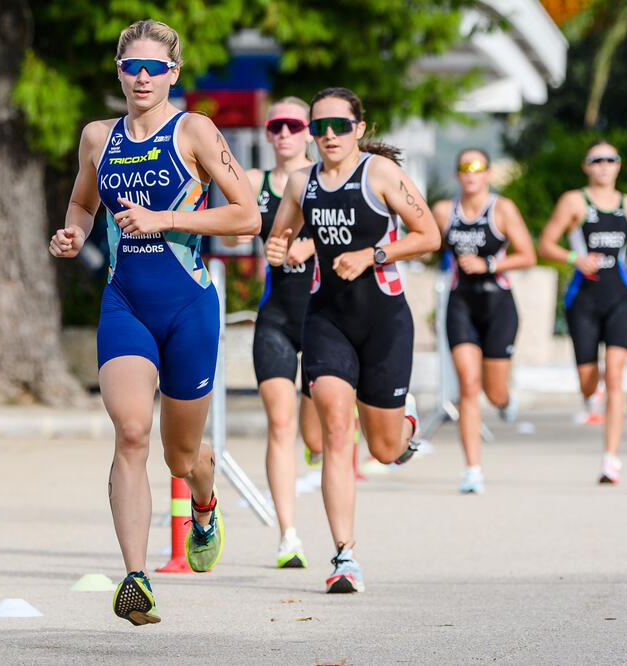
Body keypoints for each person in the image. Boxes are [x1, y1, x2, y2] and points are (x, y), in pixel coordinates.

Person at [49, 19, 260, 625]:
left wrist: (166, 220)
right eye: (131, 67)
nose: (142, 78)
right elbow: (84, 203)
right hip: (126, 305)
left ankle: (204, 502)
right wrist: (74, 234)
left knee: (181, 454)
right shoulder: (97, 137)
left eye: (154, 68)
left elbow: (246, 214)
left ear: (173, 73)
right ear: (118, 71)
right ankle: (136, 577)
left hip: (188, 307)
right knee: (132, 432)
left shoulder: (193, 130)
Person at [265, 87, 441, 593]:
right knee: (336, 433)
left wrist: (372, 256)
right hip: (327, 320)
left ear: (359, 129)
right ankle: (345, 557)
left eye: (340, 125)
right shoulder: (302, 182)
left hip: (385, 320)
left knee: (383, 449)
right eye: (319, 126)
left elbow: (428, 235)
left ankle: (404, 430)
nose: (329, 135)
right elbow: (280, 239)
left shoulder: (380, 174)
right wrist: (284, 250)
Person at [220, 97, 323, 568]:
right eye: (275, 125)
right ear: (267, 133)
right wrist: (235, 233)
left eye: (292, 125)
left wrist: (308, 246)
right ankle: (289, 536)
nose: (283, 133)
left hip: (325, 316)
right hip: (276, 315)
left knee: (316, 436)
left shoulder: (326, 183)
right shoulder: (255, 184)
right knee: (279, 423)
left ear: (308, 132)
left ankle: (319, 438)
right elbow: (229, 232)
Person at [538, 139, 627, 485]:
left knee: (616, 375)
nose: (604, 165)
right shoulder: (574, 201)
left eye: (611, 159)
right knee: (589, 383)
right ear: (586, 166)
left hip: (619, 296)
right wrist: (575, 258)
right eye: (597, 160)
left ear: (619, 165)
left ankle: (611, 460)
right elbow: (545, 243)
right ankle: (592, 396)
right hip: (584, 300)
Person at [432, 149, 536, 494]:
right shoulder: (445, 211)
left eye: (478, 168)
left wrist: (488, 265)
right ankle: (472, 470)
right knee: (468, 385)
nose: (471, 174)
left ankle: (506, 401)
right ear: (457, 174)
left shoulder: (502, 209)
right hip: (461, 304)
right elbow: (424, 243)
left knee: (493, 390)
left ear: (488, 174)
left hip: (498, 305)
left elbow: (527, 255)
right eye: (464, 167)